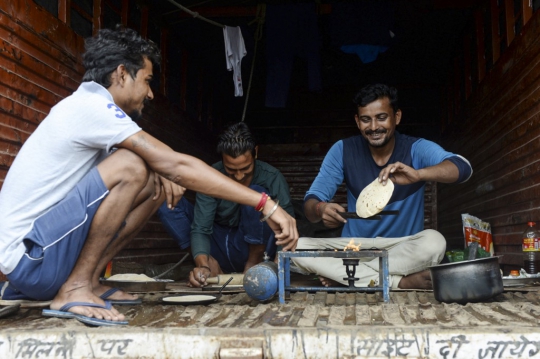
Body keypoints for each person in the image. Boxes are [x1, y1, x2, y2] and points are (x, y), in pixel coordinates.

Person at [0, 27, 298, 326]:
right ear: (121, 74)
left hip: (39, 265)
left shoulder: (90, 109)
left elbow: (166, 169)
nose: (151, 93)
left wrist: (160, 169)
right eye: (147, 80)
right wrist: (265, 204)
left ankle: (87, 281)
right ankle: (75, 287)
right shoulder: (90, 107)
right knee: (133, 165)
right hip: (32, 260)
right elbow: (177, 166)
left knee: (153, 179)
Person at [292, 83, 472, 289]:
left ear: (397, 117)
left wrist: (418, 174)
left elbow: (463, 168)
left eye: (381, 117)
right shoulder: (343, 150)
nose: (374, 127)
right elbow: (311, 204)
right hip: (355, 248)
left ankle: (348, 277)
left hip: (401, 247)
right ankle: (398, 282)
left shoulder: (415, 148)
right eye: (366, 120)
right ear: (357, 122)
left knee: (435, 242)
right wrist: (320, 209)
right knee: (295, 247)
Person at [157, 122, 295, 287]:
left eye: (245, 168)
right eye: (231, 170)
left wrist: (280, 267)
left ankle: (253, 263)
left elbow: (287, 227)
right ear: (222, 158)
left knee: (258, 193)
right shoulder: (210, 175)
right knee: (166, 202)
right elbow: (201, 228)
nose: (238, 176)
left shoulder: (272, 177)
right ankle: (209, 264)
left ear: (255, 153)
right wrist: (203, 263)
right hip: (219, 245)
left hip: (258, 250)